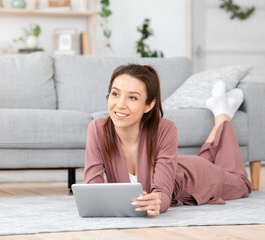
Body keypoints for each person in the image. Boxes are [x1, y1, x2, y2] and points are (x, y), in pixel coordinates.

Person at [84, 64, 252, 217]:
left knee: (241, 184)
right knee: (205, 159)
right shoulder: (97, 129)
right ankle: (221, 112)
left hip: (194, 179)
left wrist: (157, 202)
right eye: (115, 94)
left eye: (132, 98)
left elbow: (163, 193)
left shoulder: (165, 129)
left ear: (149, 106)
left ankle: (222, 114)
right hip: (176, 166)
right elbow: (93, 191)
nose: (120, 104)